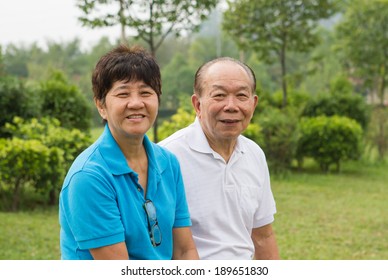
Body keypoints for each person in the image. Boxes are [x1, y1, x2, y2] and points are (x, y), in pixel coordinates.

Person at [59, 45, 198, 260]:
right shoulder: (89, 177)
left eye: (145, 92)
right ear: (101, 106)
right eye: (123, 94)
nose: (136, 103)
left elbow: (184, 250)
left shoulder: (168, 163)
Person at [159, 57, 279, 260]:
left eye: (241, 96)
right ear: (197, 104)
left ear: (253, 103)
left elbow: (263, 236)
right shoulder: (168, 157)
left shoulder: (254, 154)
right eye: (219, 95)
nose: (231, 106)